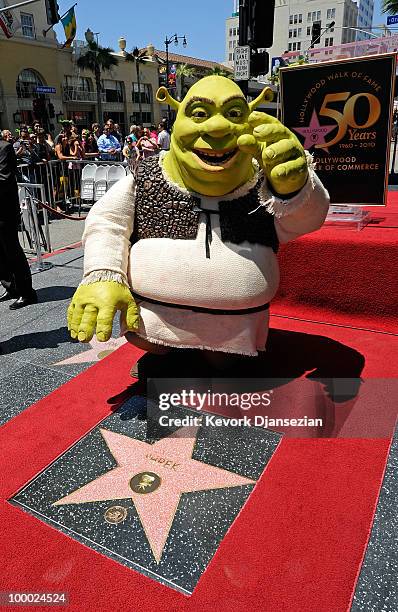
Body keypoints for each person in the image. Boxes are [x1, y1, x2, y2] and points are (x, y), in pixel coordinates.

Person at [68, 76, 330, 370]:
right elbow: (108, 221)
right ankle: (166, 352)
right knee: (158, 349)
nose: (217, 128)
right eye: (200, 114)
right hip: (154, 324)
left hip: (236, 330)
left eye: (233, 114)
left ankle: (222, 356)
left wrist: (294, 187)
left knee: (226, 364)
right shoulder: (147, 177)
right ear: (178, 117)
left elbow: (306, 221)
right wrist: (102, 274)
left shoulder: (263, 179)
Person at [0, 131, 37, 309]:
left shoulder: (4, 147)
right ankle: (11, 286)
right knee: (0, 252)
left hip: (4, 210)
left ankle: (27, 292)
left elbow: (4, 178)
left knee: (12, 250)